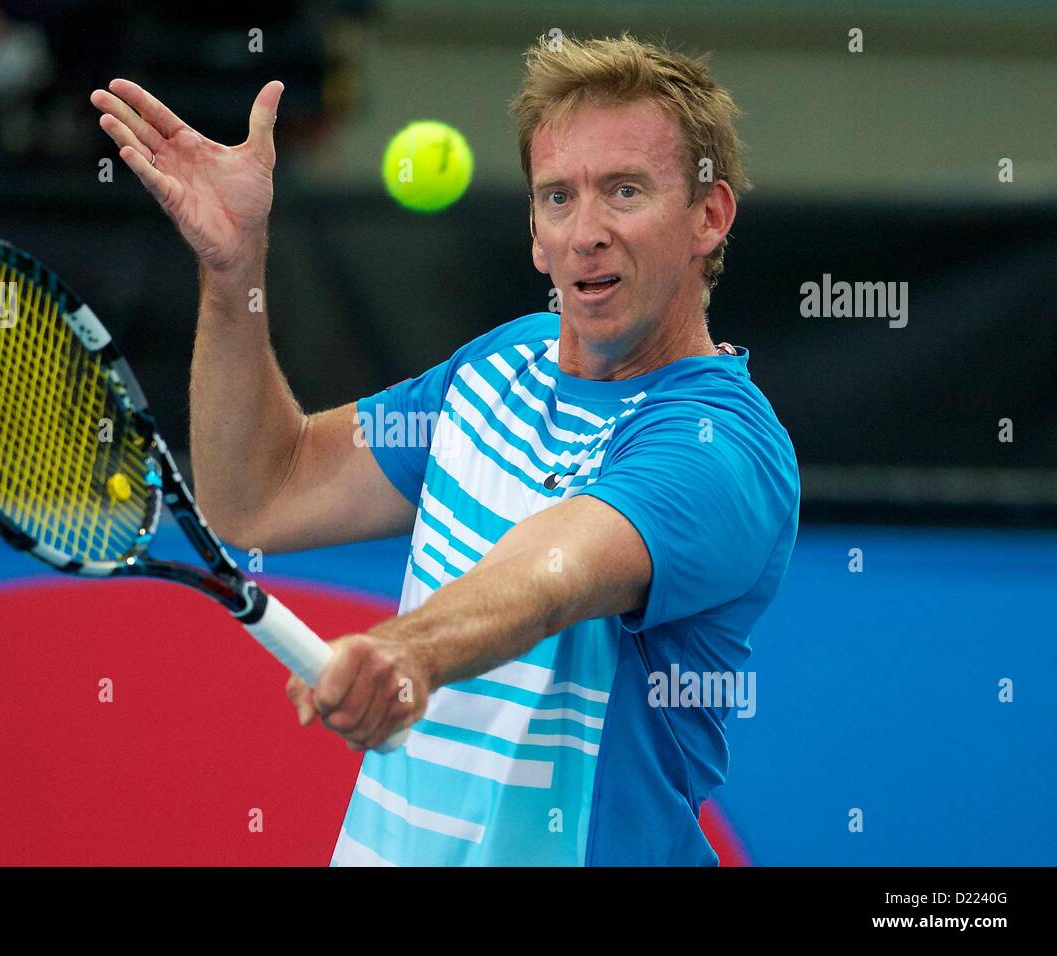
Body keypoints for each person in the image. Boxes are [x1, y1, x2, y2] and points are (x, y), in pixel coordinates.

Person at [90, 30, 800, 866]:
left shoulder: (720, 444)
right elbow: (260, 493)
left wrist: (409, 652)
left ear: (708, 217)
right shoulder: (500, 366)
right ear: (535, 234)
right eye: (558, 198)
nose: (587, 232)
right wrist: (233, 267)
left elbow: (552, 575)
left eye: (626, 191)